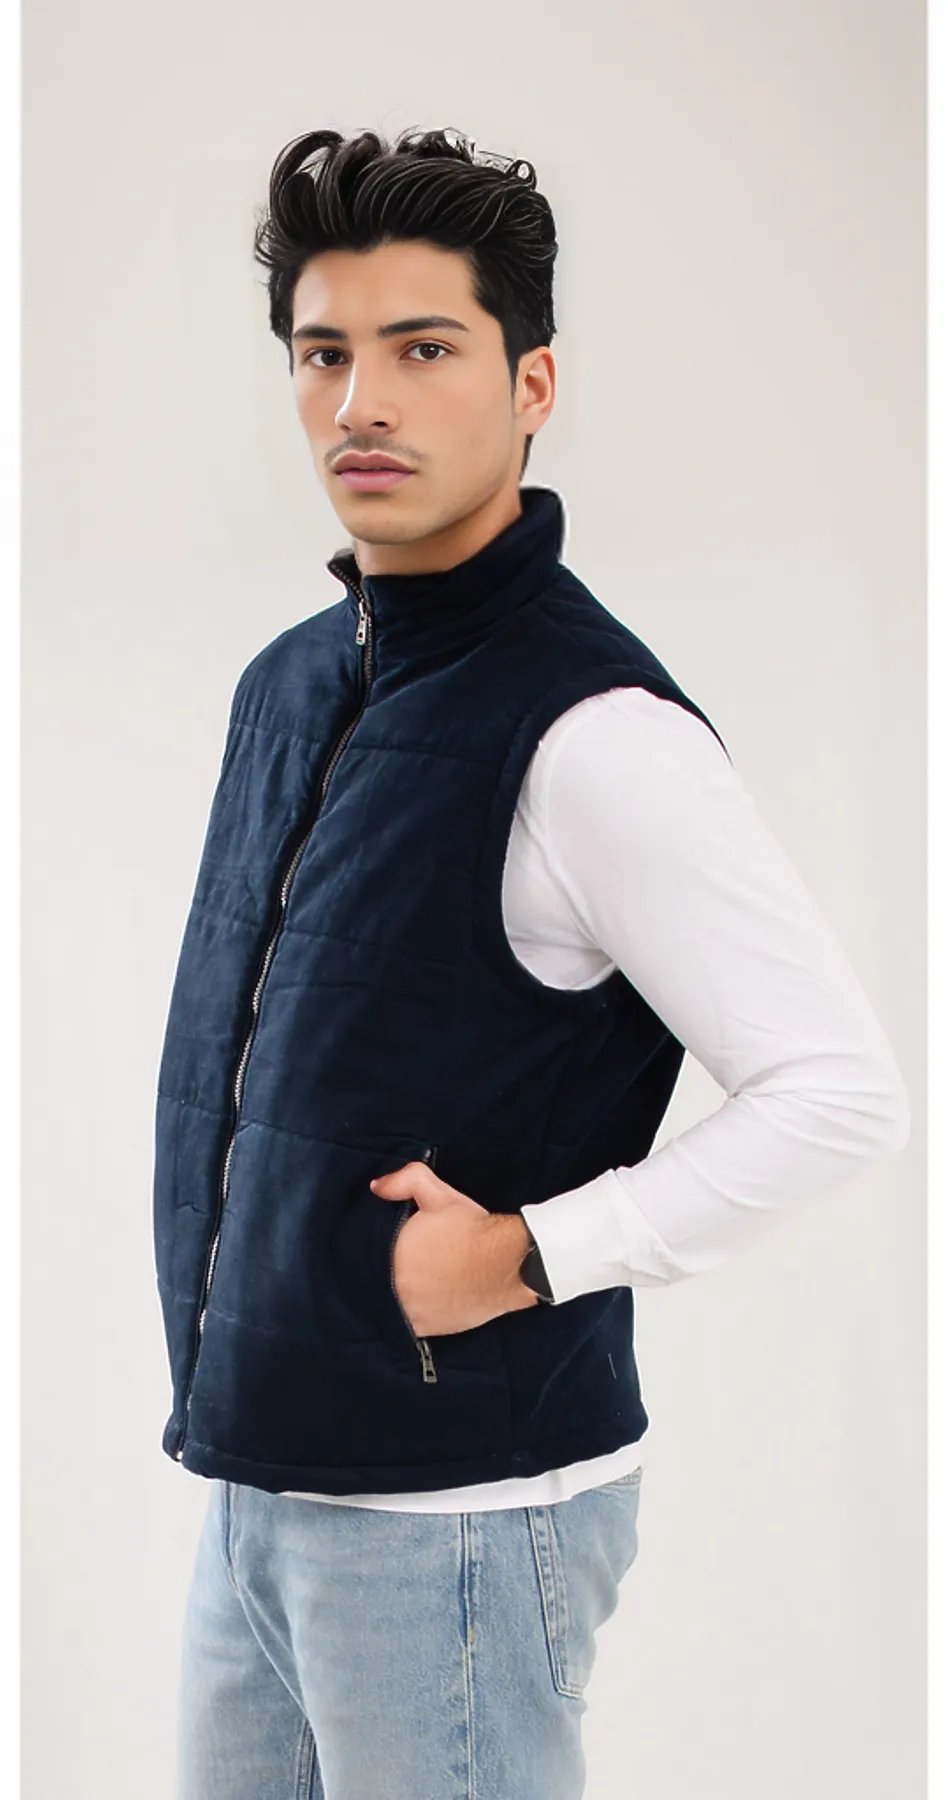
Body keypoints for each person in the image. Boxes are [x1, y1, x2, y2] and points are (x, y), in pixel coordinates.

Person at [157, 126, 912, 1799]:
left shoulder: (595, 734)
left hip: (462, 1528)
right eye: (325, 354)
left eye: (424, 350)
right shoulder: (288, 687)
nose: (363, 402)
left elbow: (838, 1091)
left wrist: (532, 1254)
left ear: (532, 384)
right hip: (255, 1485)